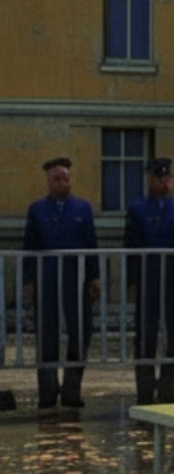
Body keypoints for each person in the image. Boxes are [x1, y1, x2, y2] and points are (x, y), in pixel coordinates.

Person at [24, 157, 100, 409]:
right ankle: (47, 392)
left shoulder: (82, 208)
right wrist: (28, 282)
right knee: (47, 336)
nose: (62, 183)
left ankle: (71, 390)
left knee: (80, 333)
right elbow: (29, 246)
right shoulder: (37, 210)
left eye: (65, 179)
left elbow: (91, 244)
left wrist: (95, 277)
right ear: (48, 181)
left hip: (76, 280)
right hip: (47, 280)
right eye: (57, 179)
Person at [125, 157, 174, 405]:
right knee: (146, 336)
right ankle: (145, 390)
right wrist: (132, 281)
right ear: (150, 180)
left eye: (166, 178)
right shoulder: (138, 209)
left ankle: (168, 388)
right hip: (148, 279)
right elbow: (131, 246)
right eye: (158, 179)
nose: (163, 183)